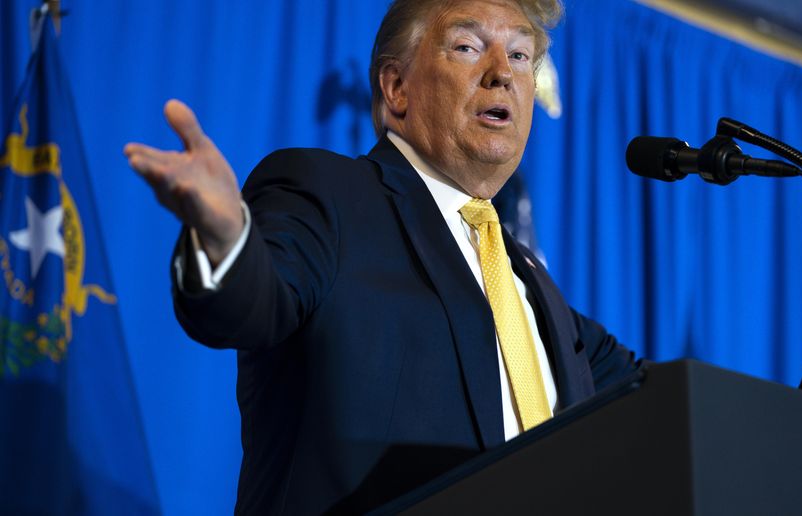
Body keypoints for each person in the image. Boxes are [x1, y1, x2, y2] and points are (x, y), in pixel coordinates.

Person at [123, 0, 636, 513]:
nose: (502, 73)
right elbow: (253, 301)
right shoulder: (330, 197)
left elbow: (666, 404)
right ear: (396, 89)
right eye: (467, 47)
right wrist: (225, 236)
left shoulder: (533, 290)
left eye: (522, 55)